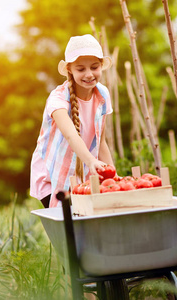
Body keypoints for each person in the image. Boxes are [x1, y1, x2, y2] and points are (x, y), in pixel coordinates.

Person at [30, 34, 115, 208]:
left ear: (101, 66)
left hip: (80, 170)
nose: (89, 74)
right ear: (70, 69)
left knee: (85, 224)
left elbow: (102, 142)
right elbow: (71, 136)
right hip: (51, 171)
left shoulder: (103, 95)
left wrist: (113, 179)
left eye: (94, 67)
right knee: (68, 226)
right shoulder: (58, 99)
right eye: (81, 69)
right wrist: (91, 161)